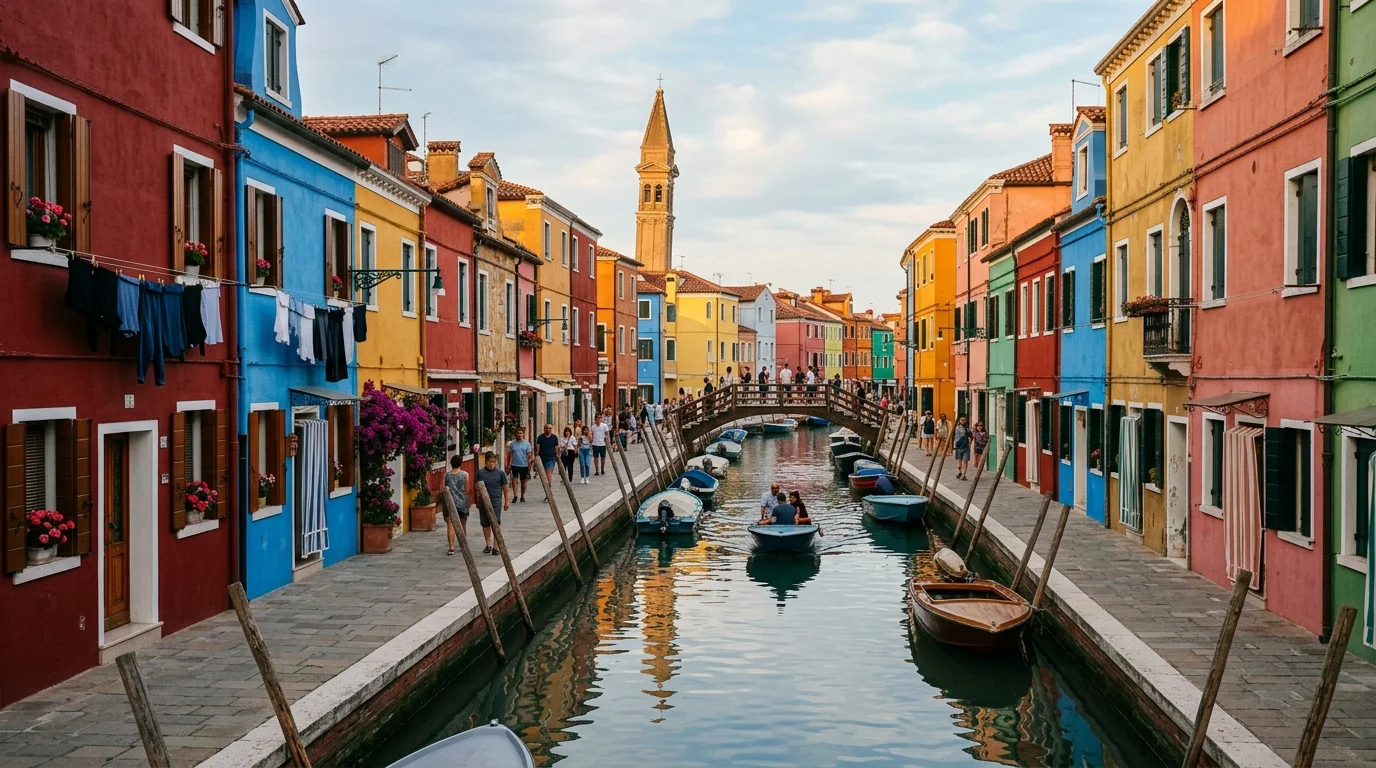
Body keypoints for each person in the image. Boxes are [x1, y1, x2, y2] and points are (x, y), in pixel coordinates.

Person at [475, 451, 509, 555]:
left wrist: (506, 501)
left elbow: (505, 488)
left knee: (496, 523)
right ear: (486, 461)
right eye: (490, 462)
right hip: (484, 501)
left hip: (496, 500)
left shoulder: (500, 473)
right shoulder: (480, 473)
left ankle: (496, 547)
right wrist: (477, 500)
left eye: (493, 462)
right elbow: (477, 487)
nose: (492, 464)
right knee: (485, 523)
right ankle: (488, 544)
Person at [444, 455, 468, 556]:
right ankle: (463, 545)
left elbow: (444, 489)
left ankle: (451, 547)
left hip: (450, 502)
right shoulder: (465, 474)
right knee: (462, 525)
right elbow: (466, 489)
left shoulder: (447, 475)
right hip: (462, 502)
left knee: (450, 525)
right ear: (461, 463)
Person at [505, 428, 532, 503]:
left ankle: (522, 496)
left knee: (523, 482)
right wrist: (508, 464)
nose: (519, 435)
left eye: (521, 433)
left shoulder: (527, 444)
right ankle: (515, 496)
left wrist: (529, 463)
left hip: (524, 465)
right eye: (518, 433)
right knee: (514, 480)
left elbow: (529, 454)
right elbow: (510, 454)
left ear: (523, 434)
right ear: (515, 434)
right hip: (514, 464)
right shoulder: (512, 444)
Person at [535, 423, 561, 498]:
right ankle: (548, 487)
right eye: (546, 428)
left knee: (549, 472)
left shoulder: (554, 437)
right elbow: (538, 447)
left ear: (551, 429)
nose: (548, 429)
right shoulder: (540, 437)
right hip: (542, 458)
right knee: (546, 475)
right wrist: (536, 456)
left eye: (549, 428)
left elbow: (556, 447)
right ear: (544, 429)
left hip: (551, 458)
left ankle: (548, 489)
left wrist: (557, 455)